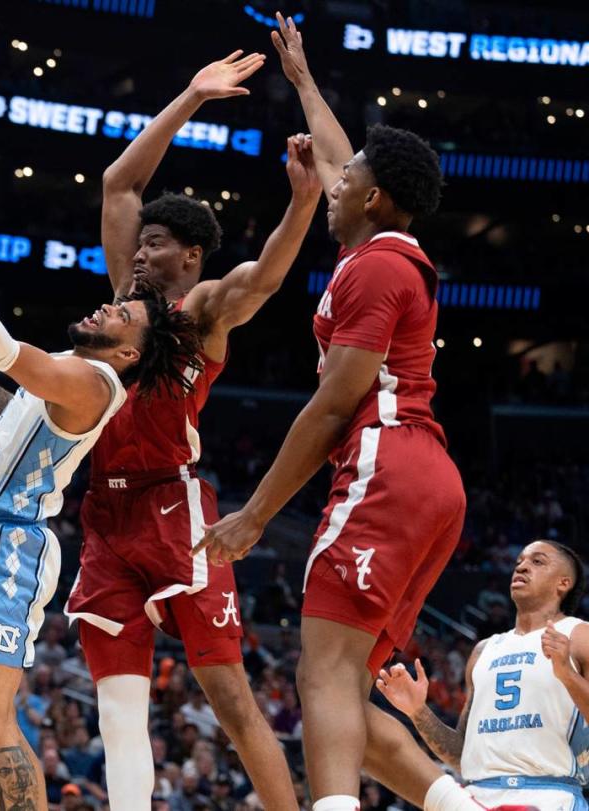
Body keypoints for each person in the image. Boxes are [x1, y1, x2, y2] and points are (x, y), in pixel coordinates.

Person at [0, 51, 322, 811]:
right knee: (116, 706)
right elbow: (118, 185)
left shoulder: (197, 311)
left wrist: (300, 206)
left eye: (157, 245)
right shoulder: (115, 316)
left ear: (191, 256)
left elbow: (264, 276)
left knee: (228, 693)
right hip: (102, 511)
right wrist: (191, 94)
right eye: (140, 243)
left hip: (174, 506)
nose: (139, 251)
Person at [196, 14, 531, 811]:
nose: (331, 181)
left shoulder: (375, 268)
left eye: (346, 183)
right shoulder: (382, 249)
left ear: (372, 198)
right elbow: (349, 157)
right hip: (427, 480)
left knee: (321, 671)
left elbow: (335, 400)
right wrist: (306, 83)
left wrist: (255, 514)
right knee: (348, 690)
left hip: (387, 462)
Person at [0, 213, 205, 809]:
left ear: (126, 352)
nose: (106, 308)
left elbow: (1, 349)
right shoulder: (76, 374)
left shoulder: (92, 383)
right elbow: (22, 418)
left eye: (121, 317)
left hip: (10, 547)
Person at [378, 540, 589, 810]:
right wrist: (418, 711)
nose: (522, 567)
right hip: (477, 796)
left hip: (550, 795)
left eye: (537, 562)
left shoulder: (579, 635)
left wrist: (567, 675)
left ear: (564, 583)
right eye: (519, 562)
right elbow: (460, 754)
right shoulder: (484, 650)